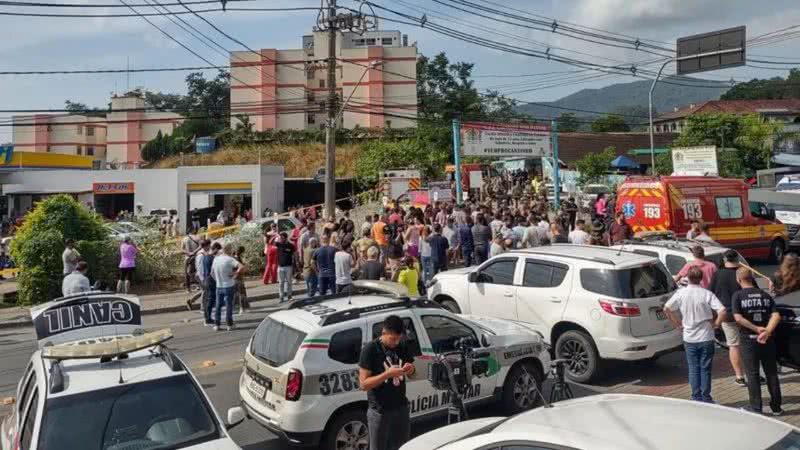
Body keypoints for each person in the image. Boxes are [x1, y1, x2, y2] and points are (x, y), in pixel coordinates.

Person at [663, 266, 727, 403]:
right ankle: (706, 396)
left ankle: (695, 396)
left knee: (693, 368)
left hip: (689, 336)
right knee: (705, 368)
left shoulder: (681, 293)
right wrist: (716, 324)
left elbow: (667, 308)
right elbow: (722, 310)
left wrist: (677, 324)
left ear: (688, 278)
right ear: (701, 278)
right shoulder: (706, 294)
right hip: (706, 336)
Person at [359, 315, 416, 450]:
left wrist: (411, 369)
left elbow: (414, 374)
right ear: (384, 332)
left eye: (398, 339)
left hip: (401, 408)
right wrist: (387, 375)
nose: (395, 343)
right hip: (380, 411)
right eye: (393, 339)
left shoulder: (401, 347)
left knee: (402, 447)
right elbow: (363, 384)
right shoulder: (370, 350)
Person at [732, 267, 783, 415]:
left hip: (748, 339)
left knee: (752, 374)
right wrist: (767, 331)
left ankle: (756, 408)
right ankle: (776, 407)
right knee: (771, 372)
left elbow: (738, 318)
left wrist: (756, 329)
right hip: (767, 339)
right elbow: (776, 316)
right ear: (752, 278)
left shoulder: (738, 296)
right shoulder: (764, 295)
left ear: (738, 279)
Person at [707, 250, 746, 385]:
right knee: (747, 345)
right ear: (737, 259)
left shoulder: (717, 275)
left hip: (727, 315)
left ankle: (740, 376)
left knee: (733, 345)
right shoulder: (743, 272)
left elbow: (710, 294)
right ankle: (754, 373)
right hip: (744, 314)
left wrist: (714, 314)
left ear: (724, 260)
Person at [210, 244, 245, 331]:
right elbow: (242, 267)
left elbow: (212, 273)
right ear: (228, 250)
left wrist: (217, 280)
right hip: (228, 285)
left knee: (218, 305)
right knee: (229, 305)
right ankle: (229, 323)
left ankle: (217, 324)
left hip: (219, 285)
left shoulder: (216, 259)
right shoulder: (229, 259)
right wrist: (235, 274)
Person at [186, 239, 210, 310]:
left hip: (200, 275)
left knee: (205, 290)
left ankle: (191, 301)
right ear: (206, 246)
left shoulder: (203, 253)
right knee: (205, 291)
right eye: (209, 245)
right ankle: (203, 307)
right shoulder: (201, 255)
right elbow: (200, 267)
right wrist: (202, 278)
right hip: (200, 275)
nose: (210, 247)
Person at [275, 232, 296, 303]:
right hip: (280, 267)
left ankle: (289, 296)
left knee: (289, 282)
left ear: (286, 238)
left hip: (288, 266)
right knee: (281, 283)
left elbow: (294, 254)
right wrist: (275, 235)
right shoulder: (279, 244)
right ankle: (281, 297)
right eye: (280, 238)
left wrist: (295, 264)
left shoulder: (291, 245)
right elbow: (270, 242)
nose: (281, 239)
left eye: (282, 238)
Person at [233, 246, 249, 314]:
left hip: (236, 277)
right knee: (241, 293)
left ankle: (241, 306)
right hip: (238, 277)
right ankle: (242, 307)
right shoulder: (236, 258)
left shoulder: (234, 257)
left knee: (238, 293)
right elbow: (239, 268)